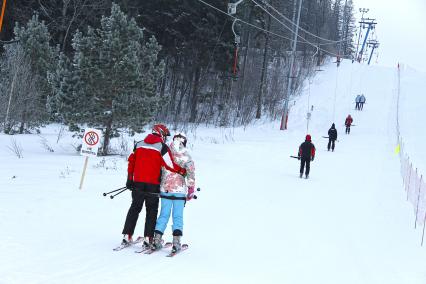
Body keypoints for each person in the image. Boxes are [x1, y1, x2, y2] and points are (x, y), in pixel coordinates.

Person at [120, 124, 186, 248]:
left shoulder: (138, 144)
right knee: (151, 211)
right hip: (153, 185)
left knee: (134, 208)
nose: (165, 138)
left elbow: (131, 162)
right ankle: (148, 238)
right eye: (165, 135)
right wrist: (182, 171)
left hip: (137, 183)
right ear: (160, 133)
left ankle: (127, 235)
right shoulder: (162, 147)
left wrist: (129, 179)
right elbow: (170, 165)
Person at [152, 132, 196, 253]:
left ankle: (156, 240)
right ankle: (176, 243)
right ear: (184, 141)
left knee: (163, 215)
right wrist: (191, 189)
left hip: (165, 189)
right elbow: (191, 173)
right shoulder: (186, 155)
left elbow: (159, 169)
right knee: (177, 216)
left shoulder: (166, 152)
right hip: (180, 191)